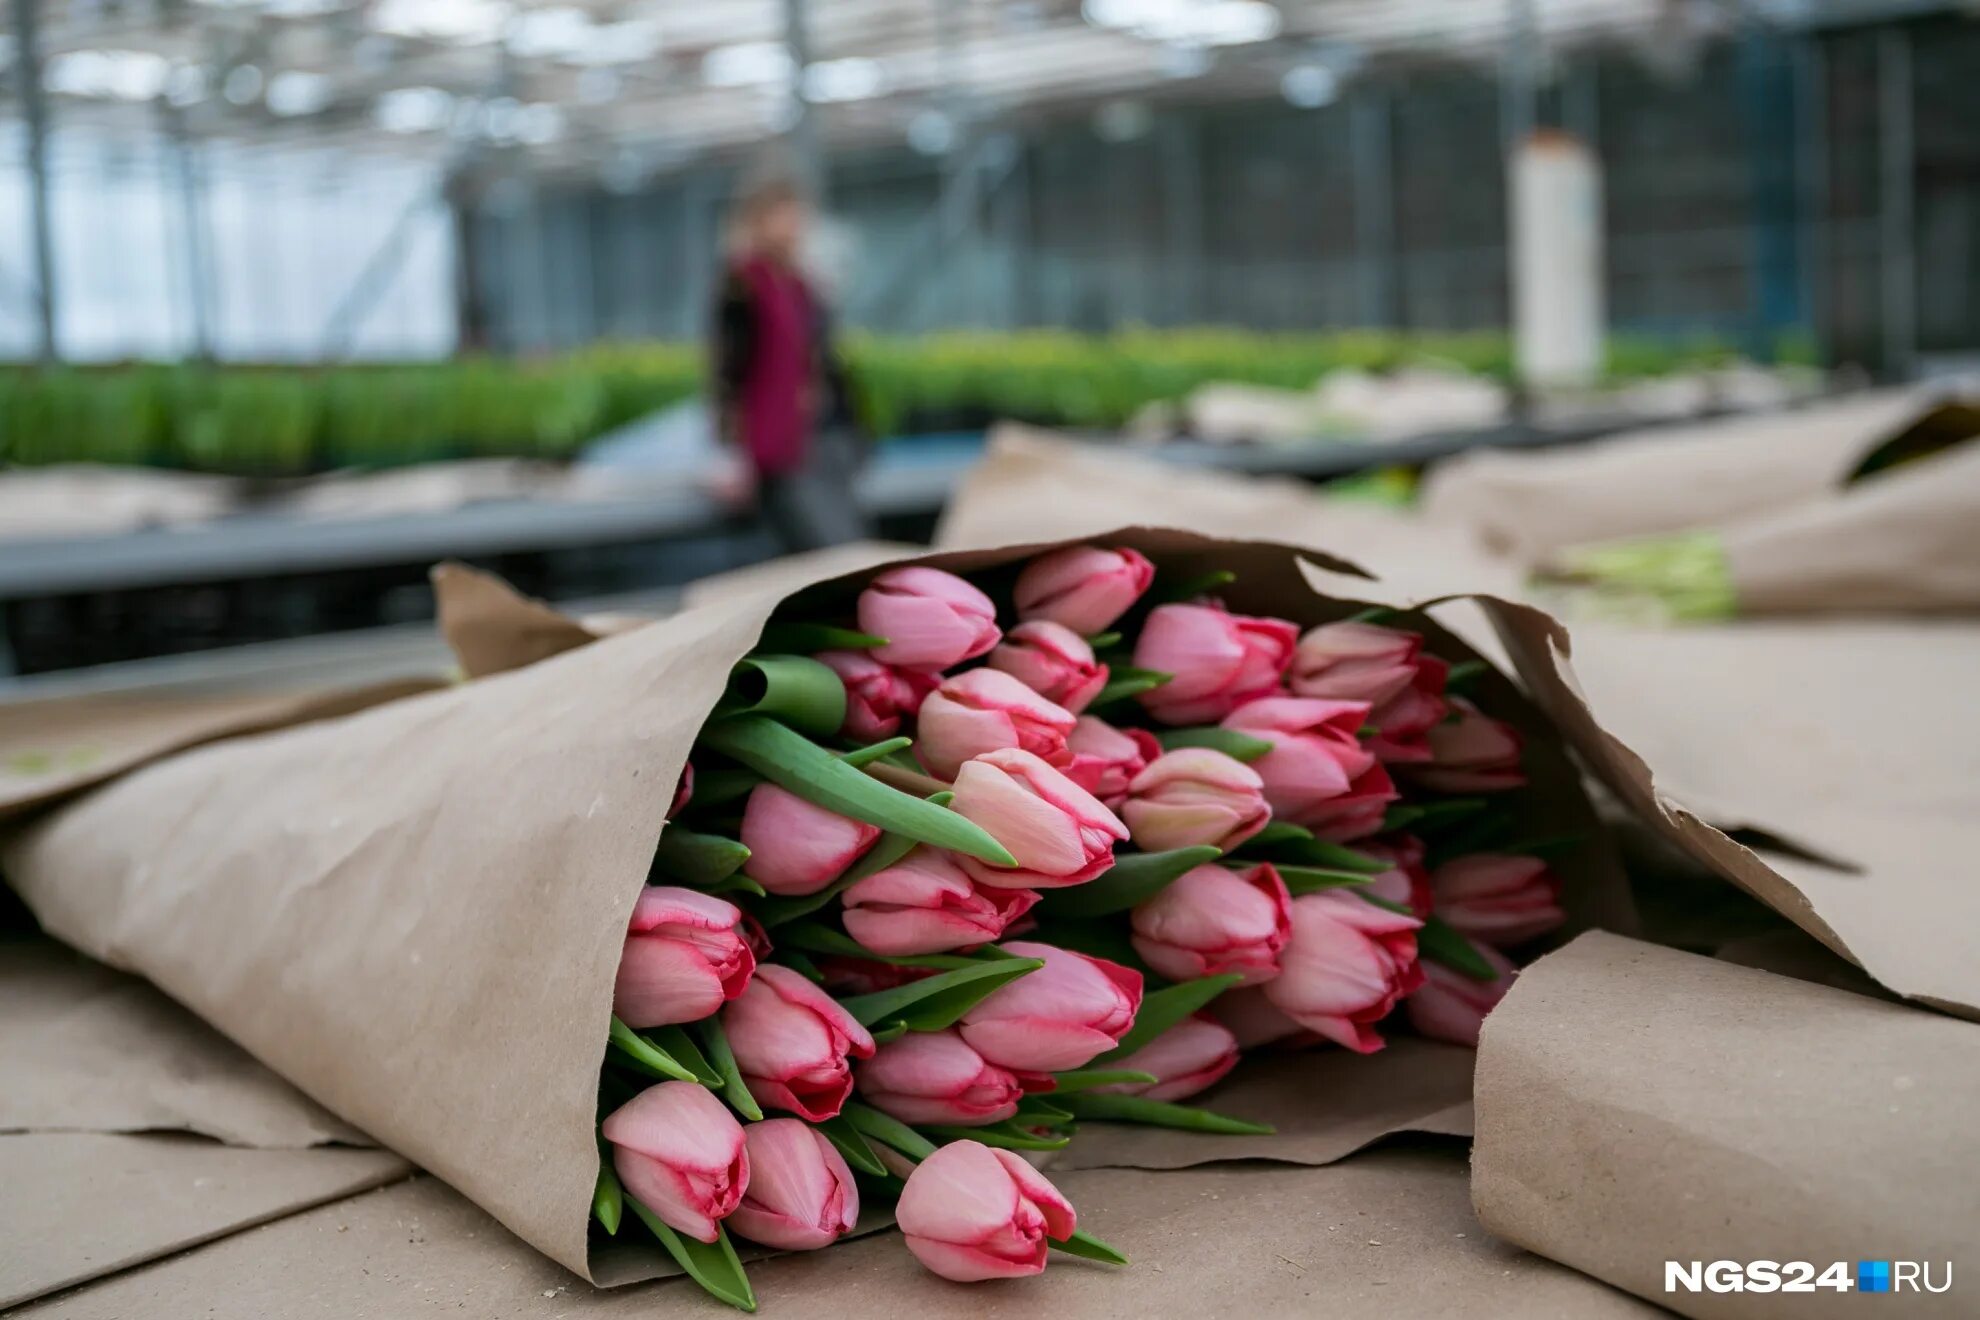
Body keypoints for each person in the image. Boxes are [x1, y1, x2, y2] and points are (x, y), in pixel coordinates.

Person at [709, 175, 872, 553]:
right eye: (781, 216)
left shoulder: (801, 285)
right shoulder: (743, 285)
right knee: (818, 546)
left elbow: (822, 357)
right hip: (778, 444)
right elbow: (731, 369)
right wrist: (736, 453)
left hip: (821, 438)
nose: (792, 225)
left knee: (848, 541)